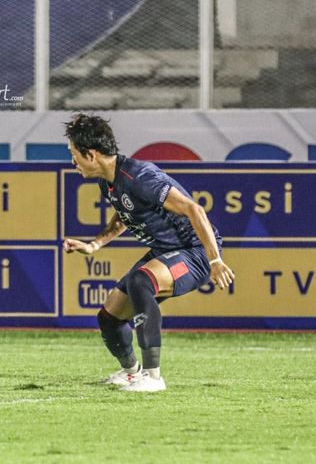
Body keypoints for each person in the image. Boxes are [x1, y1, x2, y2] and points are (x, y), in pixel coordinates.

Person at [63, 114, 234, 392]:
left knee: (140, 281)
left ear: (91, 154)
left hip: (195, 254)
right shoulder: (108, 180)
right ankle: (132, 373)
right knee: (109, 317)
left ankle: (153, 378)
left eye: (74, 155)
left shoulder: (140, 176)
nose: (72, 162)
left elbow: (194, 209)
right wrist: (94, 245)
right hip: (166, 252)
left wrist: (215, 260)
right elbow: (123, 214)